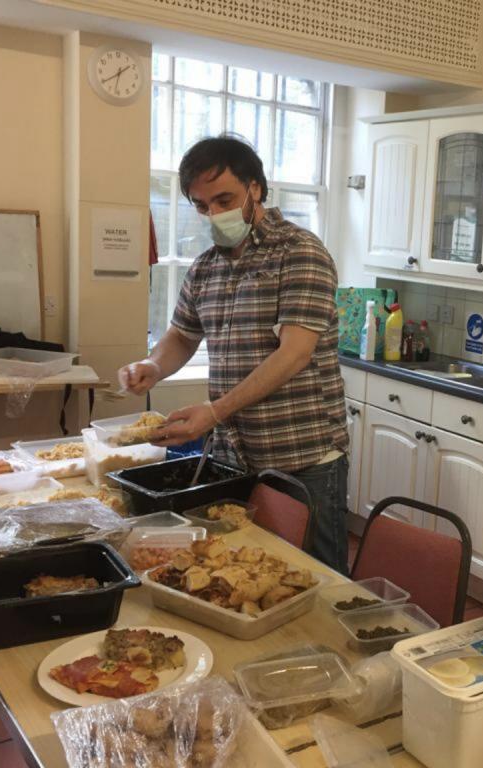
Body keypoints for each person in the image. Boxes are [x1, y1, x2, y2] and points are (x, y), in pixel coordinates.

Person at [120, 135, 350, 573]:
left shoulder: (300, 252)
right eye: (202, 205)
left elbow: (295, 354)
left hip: (301, 458)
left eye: (224, 198)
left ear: (255, 188)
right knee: (243, 572)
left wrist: (215, 411)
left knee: (315, 580)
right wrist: (151, 365)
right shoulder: (207, 266)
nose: (215, 213)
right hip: (234, 457)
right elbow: (182, 337)